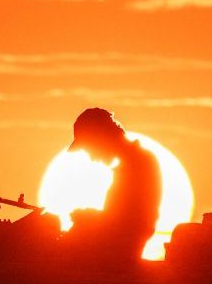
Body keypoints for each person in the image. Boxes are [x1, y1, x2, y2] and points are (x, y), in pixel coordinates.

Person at [64, 107, 162, 268]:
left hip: (117, 260)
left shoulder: (138, 165)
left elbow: (132, 225)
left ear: (100, 138)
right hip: (114, 255)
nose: (91, 158)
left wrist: (89, 220)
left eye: (89, 148)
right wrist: (92, 218)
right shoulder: (132, 164)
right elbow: (120, 218)